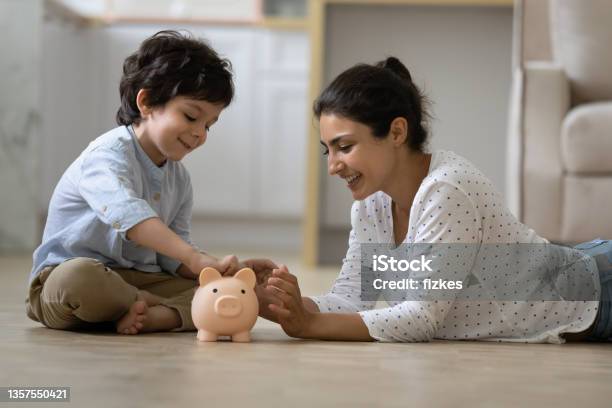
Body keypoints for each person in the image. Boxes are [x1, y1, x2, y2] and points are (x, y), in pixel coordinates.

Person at [264, 57, 611, 343]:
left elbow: (420, 318)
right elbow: (350, 299)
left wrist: (308, 325)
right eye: (328, 151)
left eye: (345, 147)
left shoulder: (448, 190)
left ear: (397, 132)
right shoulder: (371, 205)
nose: (333, 166)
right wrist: (270, 301)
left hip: (600, 290)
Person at [26, 30, 277, 335]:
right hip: (70, 281)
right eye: (190, 116)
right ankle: (156, 307)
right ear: (146, 103)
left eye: (209, 125)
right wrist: (193, 257)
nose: (200, 133)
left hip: (139, 278)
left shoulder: (179, 179)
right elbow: (129, 216)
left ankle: (151, 315)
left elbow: (171, 256)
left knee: (218, 289)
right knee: (77, 279)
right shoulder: (105, 157)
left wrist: (218, 272)